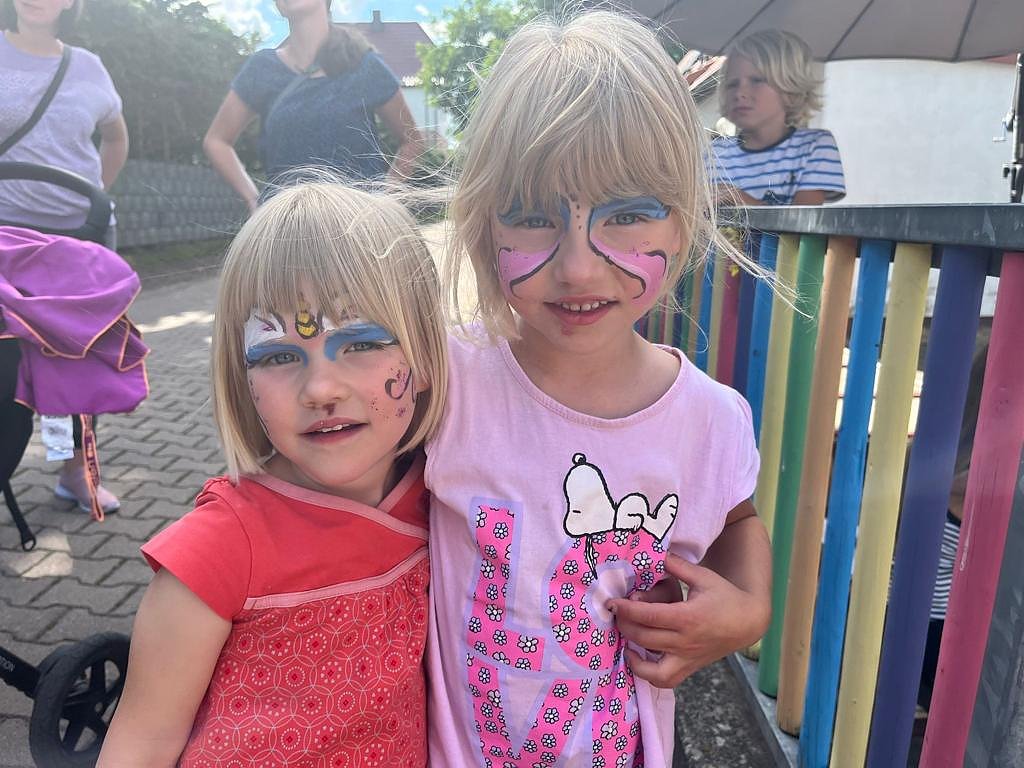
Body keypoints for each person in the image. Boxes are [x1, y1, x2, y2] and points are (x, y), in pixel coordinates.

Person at [425, 11, 772, 767]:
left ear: (682, 223)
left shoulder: (711, 421)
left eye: (628, 214)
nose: (578, 267)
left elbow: (738, 518)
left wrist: (746, 613)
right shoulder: (445, 384)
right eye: (532, 216)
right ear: (485, 226)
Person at [97, 181, 447, 767]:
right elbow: (142, 742)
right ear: (243, 377)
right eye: (279, 356)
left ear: (427, 357)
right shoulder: (218, 550)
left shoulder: (447, 497)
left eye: (360, 343)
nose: (320, 389)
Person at [0, 0, 129, 513]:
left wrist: (98, 194)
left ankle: (73, 471)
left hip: (78, 240)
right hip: (7, 238)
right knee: (5, 366)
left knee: (72, 365)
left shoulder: (88, 66)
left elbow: (116, 135)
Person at [203, 0, 425, 212]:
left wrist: (384, 202)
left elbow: (413, 141)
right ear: (279, 6)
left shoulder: (364, 65)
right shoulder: (261, 69)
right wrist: (254, 201)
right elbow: (216, 141)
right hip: (289, 225)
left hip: (357, 225)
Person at [711, 29, 845, 206]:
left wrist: (738, 197)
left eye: (757, 80)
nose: (740, 93)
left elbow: (805, 221)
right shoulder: (714, 154)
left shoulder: (814, 146)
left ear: (790, 88)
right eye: (732, 84)